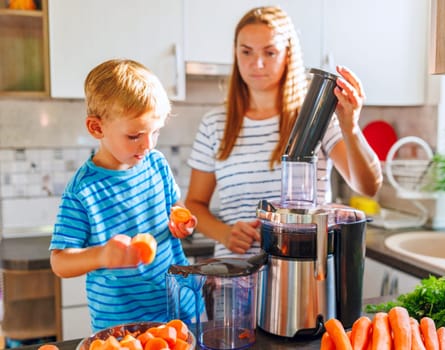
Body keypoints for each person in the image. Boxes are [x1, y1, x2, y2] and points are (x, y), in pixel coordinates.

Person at [185, 6, 383, 258]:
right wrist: (224, 233)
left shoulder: (315, 117)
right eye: (246, 51)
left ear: (288, 55)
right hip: (235, 274)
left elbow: (368, 186)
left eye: (269, 52)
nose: (257, 63)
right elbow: (194, 204)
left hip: (304, 273)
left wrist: (350, 127)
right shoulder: (214, 124)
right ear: (236, 53)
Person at [49, 59, 200, 332]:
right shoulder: (83, 191)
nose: (148, 144)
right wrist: (102, 256)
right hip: (122, 325)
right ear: (97, 128)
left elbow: (175, 207)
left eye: (155, 132)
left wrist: (182, 221)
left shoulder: (156, 164)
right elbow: (60, 261)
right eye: (134, 136)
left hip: (180, 308)